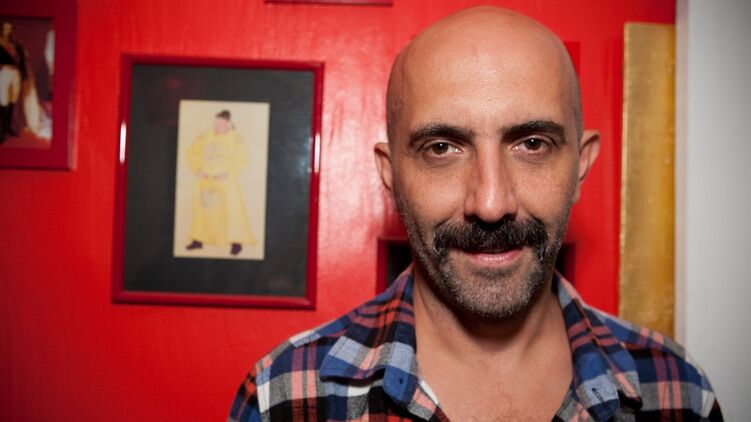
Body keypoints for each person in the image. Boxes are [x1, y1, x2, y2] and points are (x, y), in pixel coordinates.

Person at [229, 7, 722, 421]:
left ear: (580, 165)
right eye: (442, 148)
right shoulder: (287, 397)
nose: (490, 203)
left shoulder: (676, 393)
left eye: (532, 144)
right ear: (391, 174)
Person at [186, 110, 256, 256]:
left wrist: (228, 173)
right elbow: (193, 153)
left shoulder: (236, 139)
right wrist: (197, 169)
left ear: (228, 123)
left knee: (231, 212)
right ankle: (198, 240)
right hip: (206, 180)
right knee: (203, 211)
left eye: (220, 124)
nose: (217, 126)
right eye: (215, 123)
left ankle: (236, 243)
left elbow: (240, 159)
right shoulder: (205, 136)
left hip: (225, 181)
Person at [0, 21, 26, 143]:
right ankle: (1, 130)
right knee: (3, 100)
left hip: (16, 73)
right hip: (5, 72)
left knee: (12, 100)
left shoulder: (16, 45)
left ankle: (8, 128)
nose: (8, 31)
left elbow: (22, 61)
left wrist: (24, 75)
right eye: (6, 28)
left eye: (10, 28)